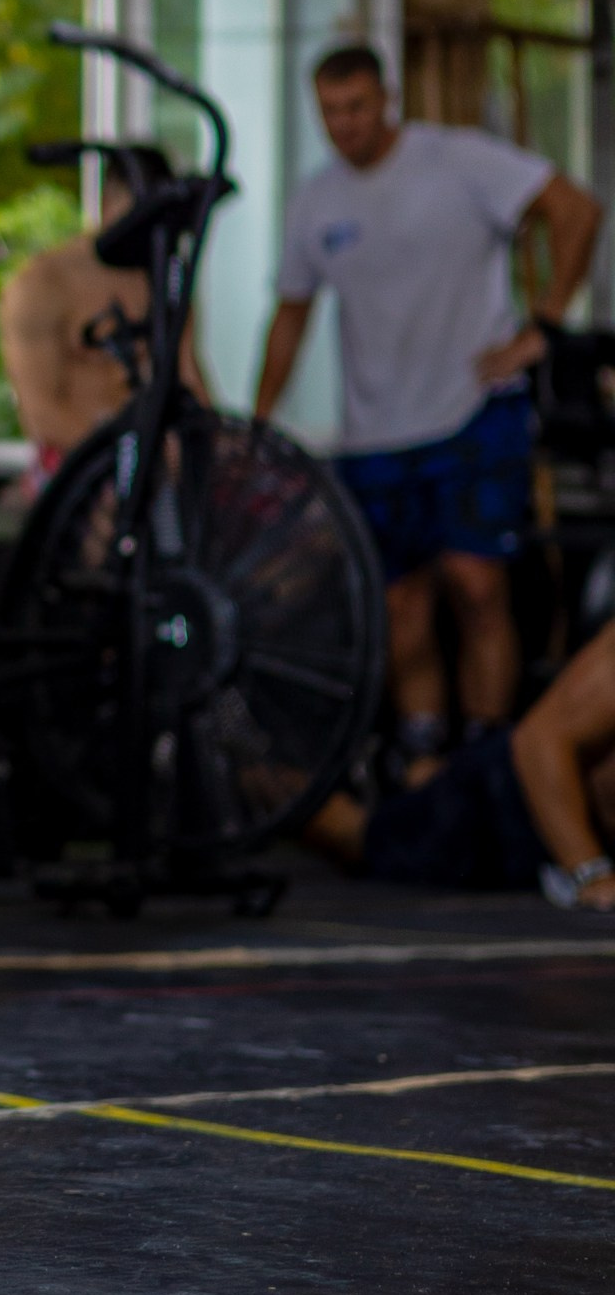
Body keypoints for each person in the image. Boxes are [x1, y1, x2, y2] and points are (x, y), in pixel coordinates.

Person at [256, 43, 598, 772]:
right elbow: (290, 315)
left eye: (355, 108)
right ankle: (422, 756)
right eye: (329, 113)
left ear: (385, 100)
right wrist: (257, 422)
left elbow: (575, 208)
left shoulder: (459, 160)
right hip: (372, 430)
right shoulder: (317, 200)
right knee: (403, 606)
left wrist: (545, 325)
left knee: (476, 585)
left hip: (473, 409)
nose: (343, 126)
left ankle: (487, 751)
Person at [304, 616, 615, 915]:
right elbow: (538, 741)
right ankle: (267, 788)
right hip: (504, 802)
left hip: (552, 845)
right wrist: (590, 872)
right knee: (357, 839)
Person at [0, 151, 204, 489]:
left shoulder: (166, 278)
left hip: (155, 461)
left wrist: (215, 449)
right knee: (110, 510)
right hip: (75, 464)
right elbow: (40, 414)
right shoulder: (44, 283)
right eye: (140, 214)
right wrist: (133, 453)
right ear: (108, 203)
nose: (149, 229)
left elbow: (190, 376)